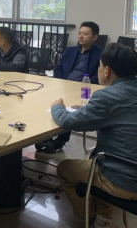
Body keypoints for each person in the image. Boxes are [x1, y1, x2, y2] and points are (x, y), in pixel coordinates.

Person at [51, 43, 137, 228]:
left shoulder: (107, 96)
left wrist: (57, 107)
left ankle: (97, 222)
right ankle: (104, 219)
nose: (99, 69)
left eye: (100, 65)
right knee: (96, 159)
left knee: (66, 169)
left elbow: (68, 122)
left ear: (107, 70)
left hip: (133, 182)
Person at [37, 22, 104, 153]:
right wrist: (61, 82)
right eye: (79, 33)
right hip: (64, 86)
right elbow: (59, 68)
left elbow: (98, 75)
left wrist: (83, 84)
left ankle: (61, 139)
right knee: (46, 101)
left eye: (85, 34)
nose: (81, 36)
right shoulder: (70, 50)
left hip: (84, 90)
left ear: (95, 37)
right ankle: (46, 135)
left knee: (69, 107)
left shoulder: (101, 54)